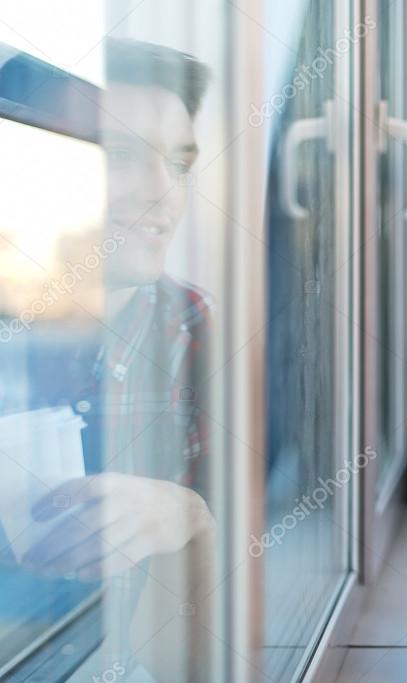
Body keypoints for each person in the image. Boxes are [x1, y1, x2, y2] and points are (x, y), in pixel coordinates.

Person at [0, 39, 215, 681]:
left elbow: (202, 651)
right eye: (118, 155)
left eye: (177, 163)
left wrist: (191, 520)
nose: (162, 194)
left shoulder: (192, 327)